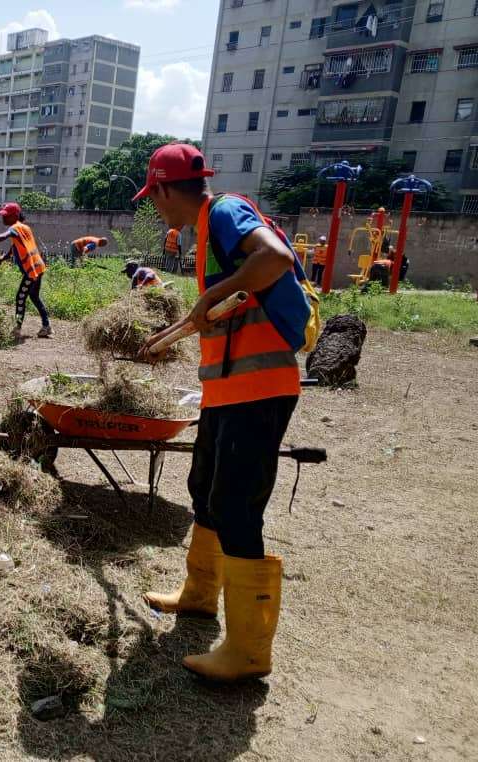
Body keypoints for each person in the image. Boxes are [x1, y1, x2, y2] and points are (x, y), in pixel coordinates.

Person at [136, 143, 310, 683]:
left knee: (236, 506)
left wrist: (215, 294)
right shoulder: (208, 232)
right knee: (204, 487)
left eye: (153, 196)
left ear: (165, 189)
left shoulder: (227, 212)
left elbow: (276, 259)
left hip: (259, 390)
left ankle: (249, 651)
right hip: (227, 390)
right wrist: (206, 308)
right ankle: (198, 594)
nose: (156, 207)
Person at [0, 201, 51, 339]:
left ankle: (17, 328)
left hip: (31, 271)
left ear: (14, 216)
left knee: (20, 297)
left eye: (5, 215)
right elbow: (15, 247)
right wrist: (3, 259)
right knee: (34, 297)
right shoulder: (24, 228)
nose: (3, 218)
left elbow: (3, 236)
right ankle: (46, 326)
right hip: (38, 267)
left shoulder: (15, 228)